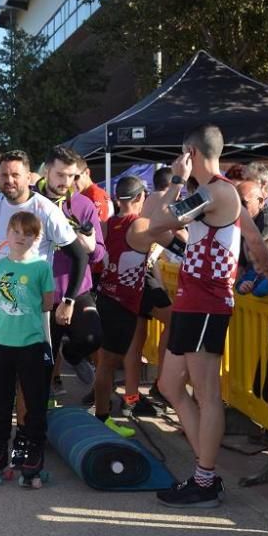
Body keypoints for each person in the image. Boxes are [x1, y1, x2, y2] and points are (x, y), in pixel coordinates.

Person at [142, 124, 268, 508]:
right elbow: (252, 239)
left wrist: (175, 178)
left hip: (207, 303)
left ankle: (205, 480)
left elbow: (157, 221)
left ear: (190, 151)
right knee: (171, 386)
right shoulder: (217, 195)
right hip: (192, 301)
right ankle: (204, 471)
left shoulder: (216, 191)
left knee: (207, 395)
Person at [0, 150, 87, 467]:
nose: (9, 180)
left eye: (15, 175)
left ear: (29, 177)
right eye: (3, 174)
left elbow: (79, 255)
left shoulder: (45, 210)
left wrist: (67, 300)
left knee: (29, 378)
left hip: (30, 308)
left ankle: (24, 440)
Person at [0, 212, 55, 487]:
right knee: (1, 403)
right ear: (7, 234)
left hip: (31, 344)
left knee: (33, 402)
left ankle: (32, 453)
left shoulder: (41, 268)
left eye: (27, 233)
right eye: (16, 231)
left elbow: (46, 304)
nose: (21, 237)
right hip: (0, 344)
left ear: (36, 237)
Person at [91, 176, 178, 435]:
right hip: (124, 305)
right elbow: (173, 227)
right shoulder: (139, 224)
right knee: (108, 362)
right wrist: (177, 185)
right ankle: (103, 417)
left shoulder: (107, 224)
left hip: (106, 298)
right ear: (140, 198)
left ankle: (104, 412)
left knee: (106, 362)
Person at [37, 146, 105, 390]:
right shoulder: (32, 202)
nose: (66, 182)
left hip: (75, 290)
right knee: (42, 365)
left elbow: (99, 253)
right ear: (47, 171)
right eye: (60, 175)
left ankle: (73, 355)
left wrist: (87, 243)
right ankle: (35, 421)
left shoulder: (83, 205)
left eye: (72, 176)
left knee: (92, 337)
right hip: (39, 295)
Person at [74, 157, 113, 223]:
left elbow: (99, 229)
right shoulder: (86, 194)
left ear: (87, 172)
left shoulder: (95, 196)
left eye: (75, 177)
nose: (71, 182)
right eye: (69, 177)